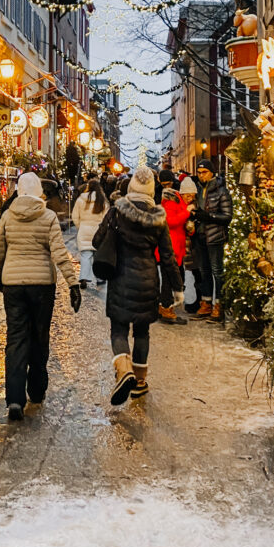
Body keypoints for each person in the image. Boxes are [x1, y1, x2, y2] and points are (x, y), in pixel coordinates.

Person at [0, 172, 81, 421]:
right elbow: (59, 252)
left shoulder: (9, 216)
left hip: (13, 285)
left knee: (16, 337)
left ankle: (14, 399)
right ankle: (37, 389)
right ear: (39, 192)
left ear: (19, 191)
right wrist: (72, 283)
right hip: (42, 285)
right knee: (40, 336)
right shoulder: (48, 216)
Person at [103, 166, 183, 405]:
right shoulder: (158, 218)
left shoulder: (117, 213)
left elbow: (98, 239)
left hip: (120, 279)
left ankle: (123, 368)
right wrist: (177, 288)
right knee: (141, 331)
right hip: (148, 281)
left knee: (118, 330)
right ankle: (139, 382)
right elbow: (168, 256)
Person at [192, 158, 233, 323]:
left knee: (217, 271)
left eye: (204, 172)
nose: (201, 176)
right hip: (200, 235)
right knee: (204, 272)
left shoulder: (221, 191)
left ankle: (219, 305)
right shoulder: (197, 189)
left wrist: (208, 216)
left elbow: (227, 216)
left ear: (212, 173)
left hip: (215, 236)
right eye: (199, 173)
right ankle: (207, 302)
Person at [157, 169, 191, 325]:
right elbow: (171, 221)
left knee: (169, 276)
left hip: (174, 242)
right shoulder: (171, 200)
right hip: (171, 244)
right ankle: (166, 307)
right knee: (168, 277)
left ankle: (166, 306)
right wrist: (187, 213)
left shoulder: (173, 197)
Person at [71, 178, 108, 288]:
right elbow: (106, 217)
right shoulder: (103, 201)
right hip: (98, 231)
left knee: (85, 255)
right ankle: (100, 278)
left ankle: (84, 277)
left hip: (84, 230)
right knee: (98, 256)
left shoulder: (81, 199)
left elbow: (75, 216)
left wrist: (80, 226)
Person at [178, 176, 201, 314]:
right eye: (187, 195)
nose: (190, 198)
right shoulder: (181, 206)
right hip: (184, 246)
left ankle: (198, 301)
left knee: (197, 272)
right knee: (186, 272)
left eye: (192, 195)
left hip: (193, 246)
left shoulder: (195, 205)